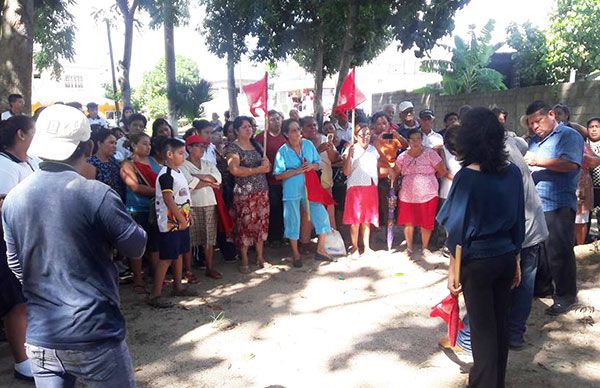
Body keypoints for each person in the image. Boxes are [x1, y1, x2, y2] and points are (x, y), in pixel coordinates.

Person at [3, 104, 146, 386]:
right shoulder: (95, 193)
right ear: (89, 147)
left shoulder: (14, 198)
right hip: (95, 332)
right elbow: (136, 247)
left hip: (42, 336)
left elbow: (15, 264)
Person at [438, 107, 525, 388]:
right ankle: (495, 381)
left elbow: (456, 230)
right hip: (505, 256)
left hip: (476, 262)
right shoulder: (511, 172)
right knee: (500, 326)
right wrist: (516, 260)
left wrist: (453, 270)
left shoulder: (466, 176)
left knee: (483, 331)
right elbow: (518, 221)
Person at [524, 100, 583, 315]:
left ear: (551, 115)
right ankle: (544, 287)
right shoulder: (534, 141)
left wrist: (539, 161)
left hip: (559, 204)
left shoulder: (569, 136)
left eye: (537, 121)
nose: (534, 127)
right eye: (531, 124)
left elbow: (571, 164)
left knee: (559, 251)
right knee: (541, 250)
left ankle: (566, 295)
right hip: (537, 204)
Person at [0, 116, 37, 381]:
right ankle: (21, 361)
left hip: (32, 239)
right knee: (17, 303)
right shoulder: (4, 165)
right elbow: (3, 205)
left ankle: (32, 348)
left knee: (30, 299)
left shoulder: (31, 161)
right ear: (21, 134)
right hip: (10, 241)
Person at [274, 119, 333, 267]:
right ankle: (295, 253)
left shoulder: (307, 144)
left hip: (310, 187)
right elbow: (278, 175)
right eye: (293, 130)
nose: (297, 133)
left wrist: (311, 166)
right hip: (291, 190)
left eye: (298, 129)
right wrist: (297, 171)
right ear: (286, 134)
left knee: (321, 215)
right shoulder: (282, 151)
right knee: (292, 220)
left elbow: (318, 163)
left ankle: (321, 249)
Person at [150, 138, 198, 308]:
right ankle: (155, 294)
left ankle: (178, 286)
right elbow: (168, 199)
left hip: (181, 221)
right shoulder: (166, 175)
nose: (183, 155)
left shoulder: (178, 173)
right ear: (169, 155)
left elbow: (184, 196)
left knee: (178, 253)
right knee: (167, 257)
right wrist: (180, 218)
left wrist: (187, 215)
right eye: (180, 152)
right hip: (170, 224)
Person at [224, 116, 271, 273]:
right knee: (244, 226)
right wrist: (258, 170)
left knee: (260, 224)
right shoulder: (233, 148)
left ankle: (260, 256)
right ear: (236, 130)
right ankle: (244, 258)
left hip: (261, 192)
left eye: (250, 126)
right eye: (244, 127)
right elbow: (234, 169)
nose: (248, 129)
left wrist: (266, 165)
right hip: (244, 194)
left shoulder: (257, 145)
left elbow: (267, 166)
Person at [392, 128, 447, 256]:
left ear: (422, 140)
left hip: (428, 194)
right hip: (407, 195)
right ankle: (409, 247)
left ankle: (425, 247)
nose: (416, 142)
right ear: (408, 141)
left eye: (418, 139)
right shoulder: (402, 156)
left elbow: (442, 171)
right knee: (408, 221)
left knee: (426, 222)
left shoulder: (430, 154)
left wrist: (428, 180)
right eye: (413, 139)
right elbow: (395, 172)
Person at [120, 133, 162, 294]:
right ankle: (138, 280)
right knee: (138, 246)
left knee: (155, 245)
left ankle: (157, 276)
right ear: (133, 145)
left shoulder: (152, 161)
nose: (148, 147)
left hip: (155, 207)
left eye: (149, 144)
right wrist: (159, 192)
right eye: (144, 143)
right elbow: (135, 187)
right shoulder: (127, 164)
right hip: (137, 210)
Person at [181, 135, 223, 279]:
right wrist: (208, 181)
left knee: (209, 238)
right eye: (198, 146)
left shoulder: (208, 164)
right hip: (190, 204)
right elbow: (189, 184)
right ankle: (188, 270)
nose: (202, 149)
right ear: (189, 148)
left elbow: (218, 179)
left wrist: (199, 177)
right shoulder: (182, 165)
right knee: (189, 239)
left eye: (203, 146)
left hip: (209, 203)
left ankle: (210, 267)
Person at [343, 124, 380, 257]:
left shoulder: (373, 150)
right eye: (362, 135)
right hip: (355, 187)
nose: (365, 137)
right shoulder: (351, 149)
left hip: (370, 186)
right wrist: (349, 156)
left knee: (367, 219)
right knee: (355, 220)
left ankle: (367, 247)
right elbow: (346, 172)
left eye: (368, 134)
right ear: (356, 136)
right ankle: (354, 247)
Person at [372, 111, 408, 243]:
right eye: (378, 124)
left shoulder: (392, 136)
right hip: (375, 175)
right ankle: (374, 235)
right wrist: (377, 139)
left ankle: (389, 235)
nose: (381, 126)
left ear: (389, 124)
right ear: (373, 125)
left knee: (390, 206)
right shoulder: (370, 137)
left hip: (391, 176)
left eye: (384, 123)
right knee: (377, 206)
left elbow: (406, 145)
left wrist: (397, 135)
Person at [301, 115, 339, 231]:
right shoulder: (300, 143)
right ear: (302, 128)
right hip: (308, 183)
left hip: (325, 180)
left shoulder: (324, 138)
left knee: (329, 208)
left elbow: (333, 159)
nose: (312, 128)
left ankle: (331, 235)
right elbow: (301, 163)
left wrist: (331, 149)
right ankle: (307, 239)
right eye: (309, 125)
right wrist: (318, 150)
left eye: (314, 125)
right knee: (308, 211)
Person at [255, 110, 287, 246]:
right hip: (269, 180)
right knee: (273, 208)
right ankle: (273, 237)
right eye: (272, 119)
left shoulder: (286, 137)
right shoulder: (261, 138)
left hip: (286, 179)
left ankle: (283, 234)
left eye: (277, 118)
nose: (276, 121)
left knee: (284, 208)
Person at [88, 127, 126, 201]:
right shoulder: (91, 163)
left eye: (115, 143)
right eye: (111, 143)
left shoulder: (114, 161)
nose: (115, 146)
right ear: (99, 143)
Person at [587, 117, 600, 234]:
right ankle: (587, 239)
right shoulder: (584, 144)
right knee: (587, 213)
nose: (594, 130)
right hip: (588, 187)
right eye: (591, 127)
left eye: (597, 127)